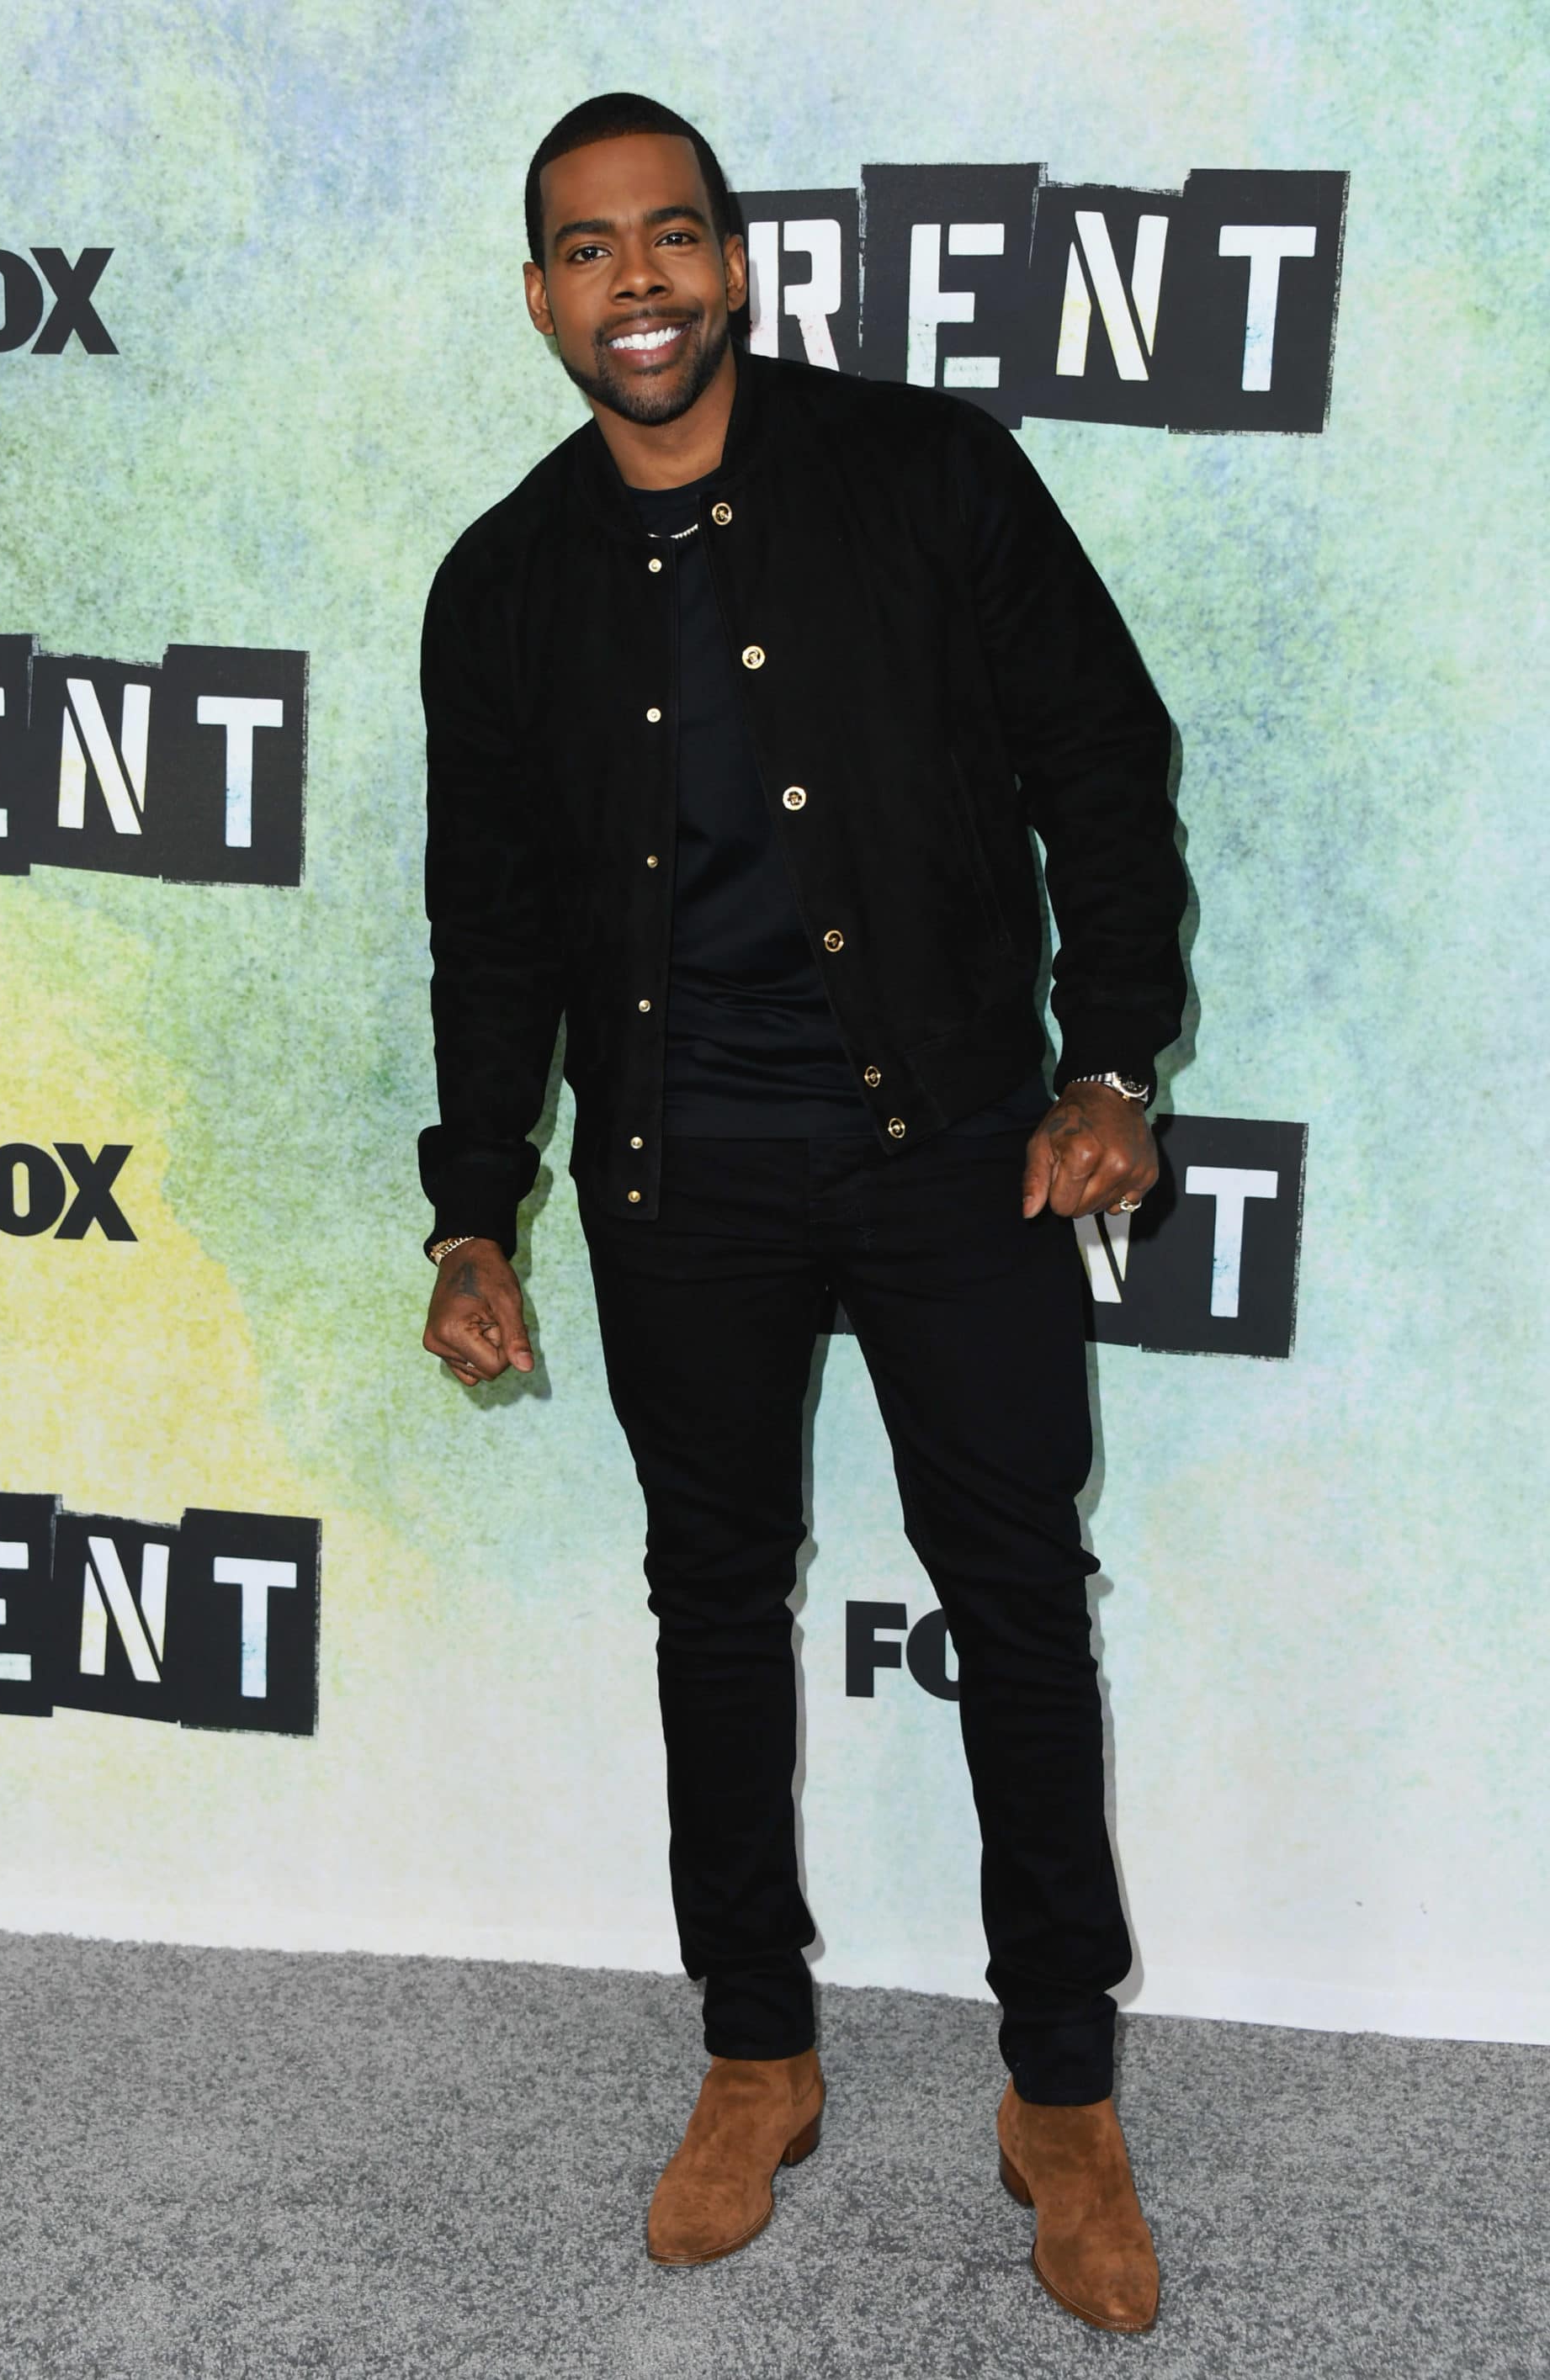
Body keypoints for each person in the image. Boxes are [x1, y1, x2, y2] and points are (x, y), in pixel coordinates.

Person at [417, 93, 1186, 2336]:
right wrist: (476, 1209)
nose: (635, 282)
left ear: (735, 264)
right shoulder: (500, 585)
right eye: (588, 250)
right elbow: (489, 927)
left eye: (671, 236)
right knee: (714, 1604)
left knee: (1016, 1601)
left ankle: (1063, 2094)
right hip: (685, 1177)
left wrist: (1111, 1062)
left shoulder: (929, 477)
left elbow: (1098, 760)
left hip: (954, 1147)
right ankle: (758, 2056)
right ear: (542, 295)